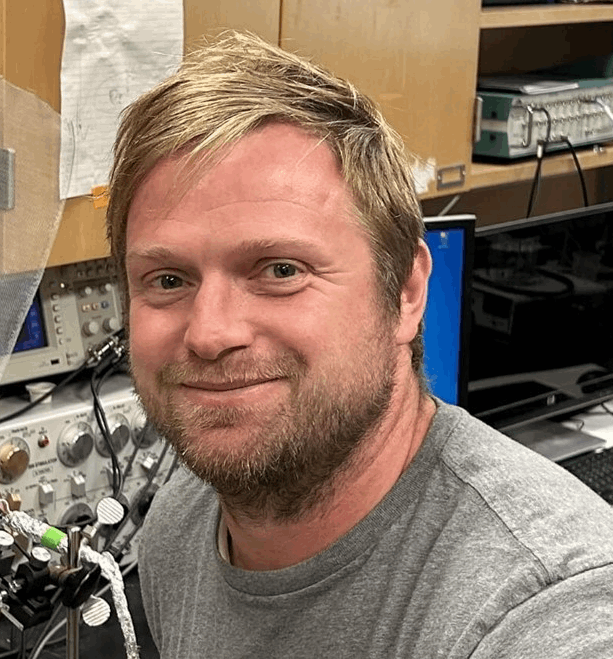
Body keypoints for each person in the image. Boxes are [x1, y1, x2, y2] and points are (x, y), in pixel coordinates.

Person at [106, 31, 613, 659]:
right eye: (168, 280)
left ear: (404, 293)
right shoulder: (182, 524)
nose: (210, 333)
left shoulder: (542, 607)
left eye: (281, 270)